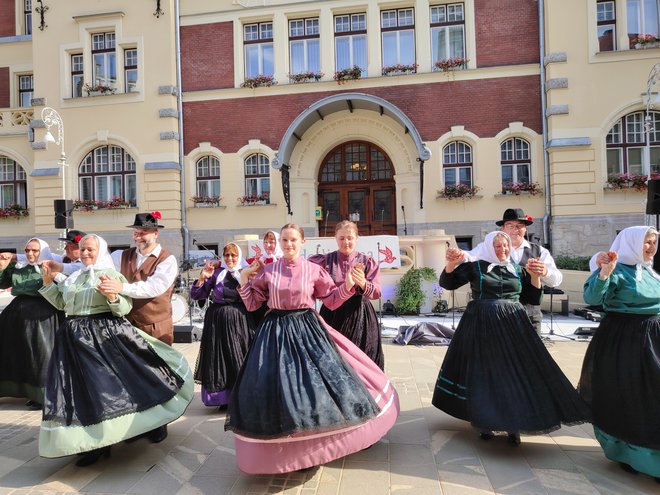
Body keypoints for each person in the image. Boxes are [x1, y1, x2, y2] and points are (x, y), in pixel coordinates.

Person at [225, 223, 399, 474]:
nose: (288, 245)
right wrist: (243, 281)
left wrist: (349, 284)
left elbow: (331, 299)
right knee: (278, 388)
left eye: (293, 240)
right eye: (284, 240)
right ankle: (283, 448)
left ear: (302, 242)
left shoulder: (314, 270)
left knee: (311, 387)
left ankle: (312, 447)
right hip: (275, 332)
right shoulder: (269, 271)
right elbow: (253, 305)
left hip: (308, 329)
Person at [37, 234, 193, 467]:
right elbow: (63, 304)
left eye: (90, 249)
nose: (85, 253)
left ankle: (115, 438)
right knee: (78, 389)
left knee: (107, 389)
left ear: (99, 250)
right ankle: (90, 441)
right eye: (82, 249)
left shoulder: (110, 275)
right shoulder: (75, 276)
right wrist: (49, 285)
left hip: (100, 337)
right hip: (71, 338)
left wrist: (112, 297)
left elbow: (124, 307)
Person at [432, 231, 589, 445]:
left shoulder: (517, 269)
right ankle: (485, 422)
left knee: (513, 374)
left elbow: (532, 298)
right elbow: (447, 283)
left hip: (514, 327)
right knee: (485, 373)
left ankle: (513, 424)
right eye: (497, 246)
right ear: (489, 247)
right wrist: (451, 264)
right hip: (481, 326)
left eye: (505, 246)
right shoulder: (476, 267)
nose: (502, 249)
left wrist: (535, 276)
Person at [579, 226, 660, 483]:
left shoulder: (649, 271)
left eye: (654, 242)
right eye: (647, 242)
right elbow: (592, 297)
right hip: (624, 340)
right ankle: (631, 454)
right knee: (631, 396)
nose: (651, 247)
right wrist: (604, 273)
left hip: (652, 337)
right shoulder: (616, 269)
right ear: (634, 243)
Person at [98, 211, 178, 443]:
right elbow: (98, 267)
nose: (138, 237)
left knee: (156, 375)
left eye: (143, 232)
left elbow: (154, 288)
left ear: (155, 233)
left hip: (155, 325)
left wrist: (121, 288)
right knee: (128, 375)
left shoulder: (167, 259)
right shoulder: (121, 256)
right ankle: (137, 426)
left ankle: (159, 424)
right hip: (125, 325)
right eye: (135, 232)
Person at [466, 208, 562, 336]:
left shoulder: (539, 251)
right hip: (497, 317)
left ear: (525, 229)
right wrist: (457, 256)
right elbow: (468, 258)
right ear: (502, 229)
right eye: (510, 225)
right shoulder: (487, 248)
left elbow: (557, 280)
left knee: (529, 354)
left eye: (519, 226)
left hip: (529, 316)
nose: (515, 230)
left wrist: (545, 272)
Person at [309, 220, 384, 369]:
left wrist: (362, 282)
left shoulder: (367, 262)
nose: (346, 242)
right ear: (335, 238)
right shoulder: (325, 261)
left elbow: (377, 293)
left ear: (356, 238)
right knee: (333, 358)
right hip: (333, 314)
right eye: (341, 238)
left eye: (350, 237)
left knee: (361, 359)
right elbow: (306, 275)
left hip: (361, 315)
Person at [0, 238, 64, 408]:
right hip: (15, 313)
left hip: (42, 313)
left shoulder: (51, 266)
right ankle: (12, 389)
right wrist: (2, 267)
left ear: (42, 251)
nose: (30, 253)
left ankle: (41, 394)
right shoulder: (19, 267)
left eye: (34, 251)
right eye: (27, 250)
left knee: (40, 354)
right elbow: (3, 282)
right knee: (11, 351)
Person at [190, 242, 255, 409]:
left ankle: (242, 397)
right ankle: (222, 398)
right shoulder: (215, 273)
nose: (230, 258)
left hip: (239, 321)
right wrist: (203, 277)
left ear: (239, 257)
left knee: (239, 357)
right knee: (219, 359)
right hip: (217, 322)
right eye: (227, 255)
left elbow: (256, 296)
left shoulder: (245, 273)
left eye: (233, 255)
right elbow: (197, 295)